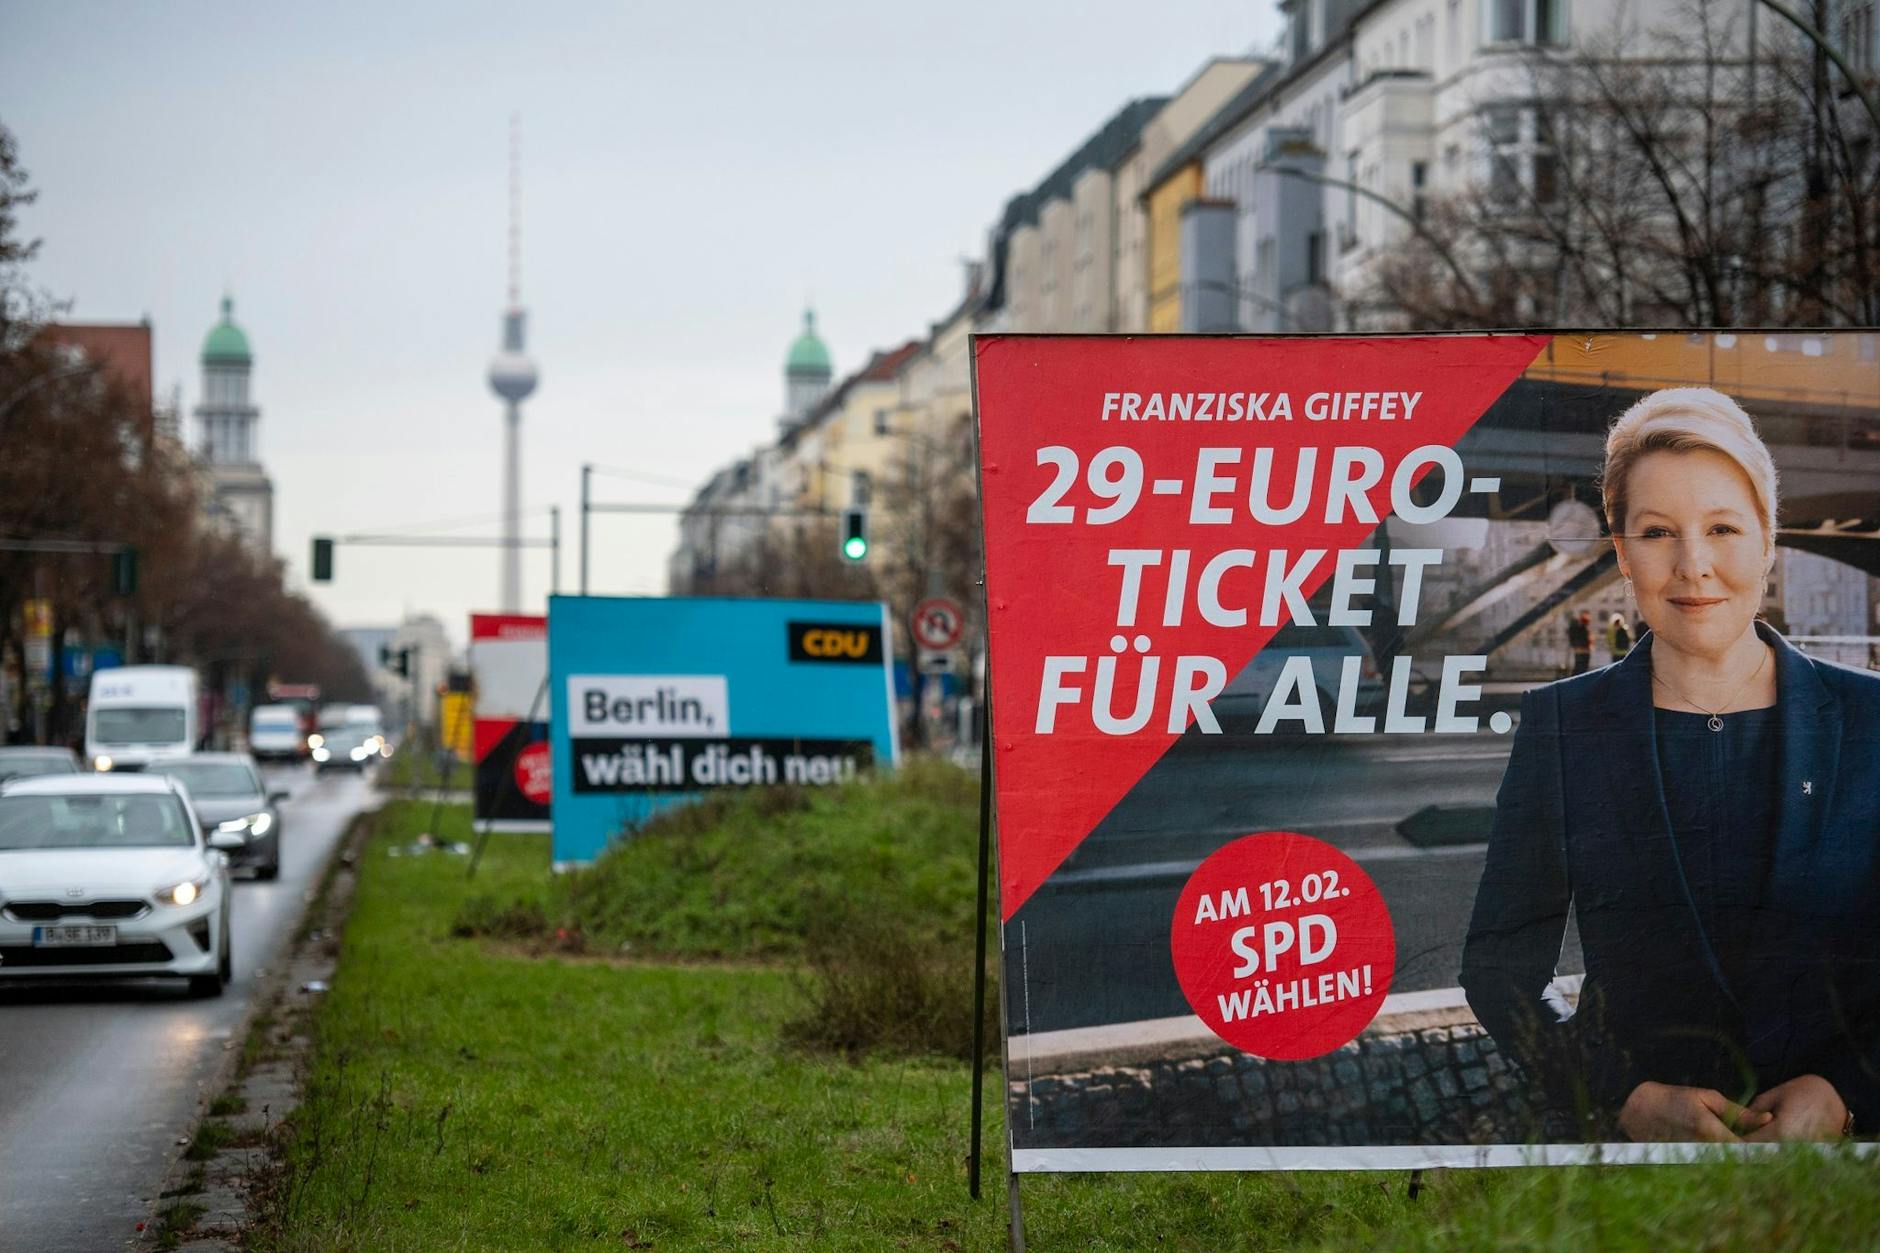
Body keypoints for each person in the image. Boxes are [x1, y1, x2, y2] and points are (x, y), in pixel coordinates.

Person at [1461, 386, 1880, 1145]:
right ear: (1621, 550)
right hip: (1636, 1175)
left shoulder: (1872, 720)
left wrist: (1849, 1092)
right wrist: (1620, 1095)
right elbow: (1499, 965)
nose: (1694, 565)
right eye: (1658, 531)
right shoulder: (1563, 728)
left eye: (1723, 527)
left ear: (1768, 539)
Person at [1567, 610, 1593, 674]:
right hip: (1583, 651)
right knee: (1581, 668)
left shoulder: (1579, 629)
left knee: (1578, 667)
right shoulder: (1582, 629)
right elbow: (1585, 640)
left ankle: (1575, 681)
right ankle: (1577, 681)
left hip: (1579, 651)